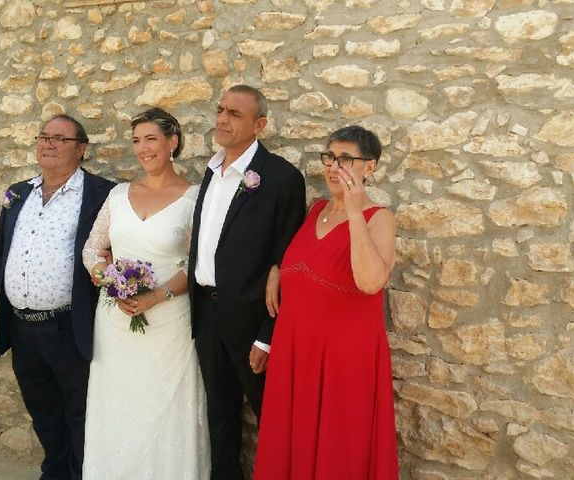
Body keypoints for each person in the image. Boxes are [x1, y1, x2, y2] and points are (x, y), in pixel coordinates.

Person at [254, 126, 400, 479]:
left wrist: (353, 211)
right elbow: (300, 265)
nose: (335, 166)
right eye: (330, 157)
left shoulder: (379, 219)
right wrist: (277, 269)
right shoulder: (315, 210)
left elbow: (370, 282)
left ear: (370, 167)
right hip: (296, 351)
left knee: (339, 448)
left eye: (346, 159)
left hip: (343, 357)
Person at [81, 107, 210, 479]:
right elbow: (93, 247)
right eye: (136, 140)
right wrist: (107, 277)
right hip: (115, 323)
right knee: (118, 406)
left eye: (150, 139)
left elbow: (197, 263)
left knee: (165, 409)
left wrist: (157, 296)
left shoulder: (194, 198)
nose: (142, 148)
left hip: (169, 324)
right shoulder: (119, 194)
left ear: (173, 142)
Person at [188, 85, 306, 479]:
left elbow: (286, 263)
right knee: (220, 417)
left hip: (253, 320)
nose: (222, 119)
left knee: (273, 420)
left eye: (235, 114)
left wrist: (268, 335)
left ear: (259, 125)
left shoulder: (281, 178)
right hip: (207, 313)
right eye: (220, 110)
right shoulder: (211, 170)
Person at [0, 114, 116, 480]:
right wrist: (10, 294)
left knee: (80, 410)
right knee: (42, 408)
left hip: (68, 327)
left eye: (59, 139)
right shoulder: (19, 193)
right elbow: (0, 254)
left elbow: (111, 253)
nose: (48, 143)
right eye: (43, 136)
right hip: (23, 327)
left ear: (81, 149)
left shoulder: (100, 194)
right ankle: (55, 472)